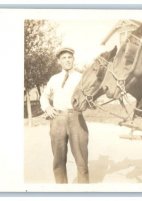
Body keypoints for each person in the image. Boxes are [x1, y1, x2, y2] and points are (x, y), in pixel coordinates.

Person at [40, 47, 89, 184]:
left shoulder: (82, 77)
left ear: (73, 59)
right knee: (58, 161)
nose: (67, 60)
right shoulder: (54, 79)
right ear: (59, 61)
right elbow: (44, 96)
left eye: (69, 57)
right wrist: (47, 107)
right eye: (64, 58)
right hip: (58, 120)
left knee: (82, 162)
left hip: (76, 119)